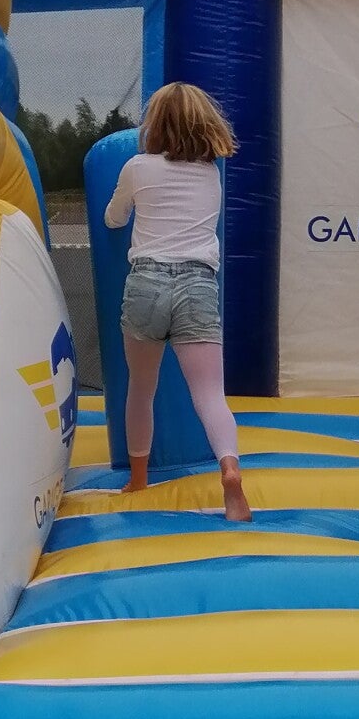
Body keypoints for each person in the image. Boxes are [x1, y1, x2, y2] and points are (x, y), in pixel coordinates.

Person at [102, 81, 253, 523]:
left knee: (141, 388)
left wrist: (123, 209)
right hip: (197, 284)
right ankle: (229, 470)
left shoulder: (136, 167)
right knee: (210, 395)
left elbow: (114, 218)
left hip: (147, 282)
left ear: (155, 123)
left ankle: (138, 479)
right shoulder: (210, 173)